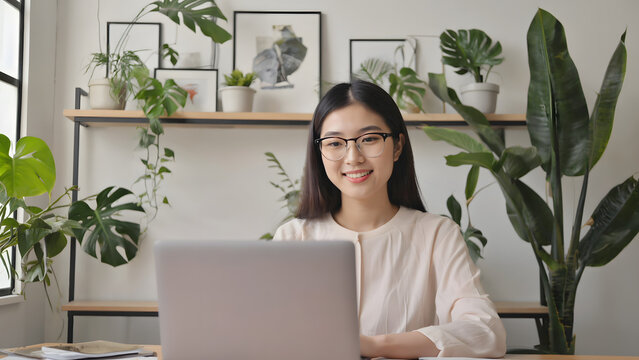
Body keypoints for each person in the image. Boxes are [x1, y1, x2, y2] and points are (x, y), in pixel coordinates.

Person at [273, 80, 506, 358]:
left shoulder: (437, 234)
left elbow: (486, 331)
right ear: (319, 153)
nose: (353, 157)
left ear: (397, 146)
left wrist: (376, 346)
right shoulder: (292, 238)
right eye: (335, 143)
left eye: (369, 139)